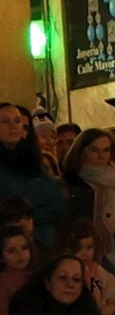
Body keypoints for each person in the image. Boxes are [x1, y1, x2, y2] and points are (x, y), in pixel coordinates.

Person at [0, 102, 65, 246]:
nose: (13, 126)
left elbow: (57, 201)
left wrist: (27, 217)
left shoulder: (30, 160)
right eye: (5, 122)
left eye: (17, 121)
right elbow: (12, 209)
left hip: (44, 243)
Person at [61, 128, 115, 253]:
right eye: (94, 150)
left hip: (114, 245)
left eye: (106, 150)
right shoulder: (72, 181)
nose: (101, 156)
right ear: (82, 151)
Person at [0, 225, 34, 315]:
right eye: (11, 251)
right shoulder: (3, 282)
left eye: (24, 248)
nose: (20, 254)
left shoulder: (34, 275)